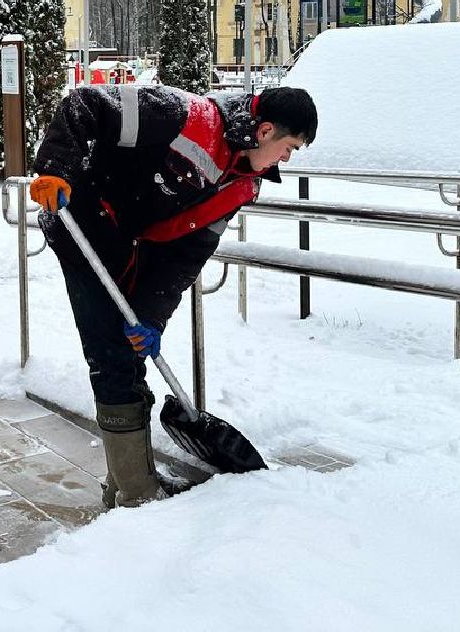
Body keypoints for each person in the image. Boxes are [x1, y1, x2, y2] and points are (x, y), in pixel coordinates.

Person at [29, 83, 317, 508]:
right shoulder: (186, 116)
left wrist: (151, 318)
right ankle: (136, 493)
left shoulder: (242, 185)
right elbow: (85, 104)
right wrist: (56, 168)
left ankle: (127, 481)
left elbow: (187, 256)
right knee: (112, 356)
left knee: (128, 354)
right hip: (84, 228)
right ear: (265, 131)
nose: (287, 159)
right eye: (289, 147)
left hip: (132, 250)